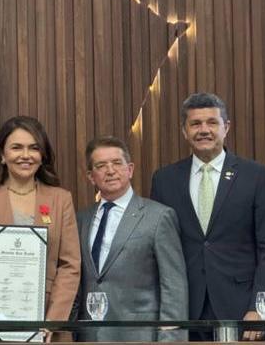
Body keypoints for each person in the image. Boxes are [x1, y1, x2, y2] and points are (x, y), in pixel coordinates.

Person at [151, 93, 265, 341]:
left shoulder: (256, 175)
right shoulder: (164, 180)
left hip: (243, 311)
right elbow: (159, 249)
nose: (204, 130)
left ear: (226, 127)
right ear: (184, 131)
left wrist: (259, 307)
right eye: (195, 123)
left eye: (212, 122)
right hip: (185, 312)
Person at [0, 116, 80, 329]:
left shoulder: (61, 199)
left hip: (48, 323)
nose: (26, 155)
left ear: (42, 155)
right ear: (2, 155)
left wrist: (52, 322)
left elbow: (69, 266)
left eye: (34, 148)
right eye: (16, 147)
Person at [74, 136, 187, 342]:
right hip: (89, 337)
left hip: (140, 337)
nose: (110, 171)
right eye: (101, 165)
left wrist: (171, 340)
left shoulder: (159, 216)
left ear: (130, 169)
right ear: (91, 176)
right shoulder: (81, 219)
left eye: (117, 163)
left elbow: (173, 287)